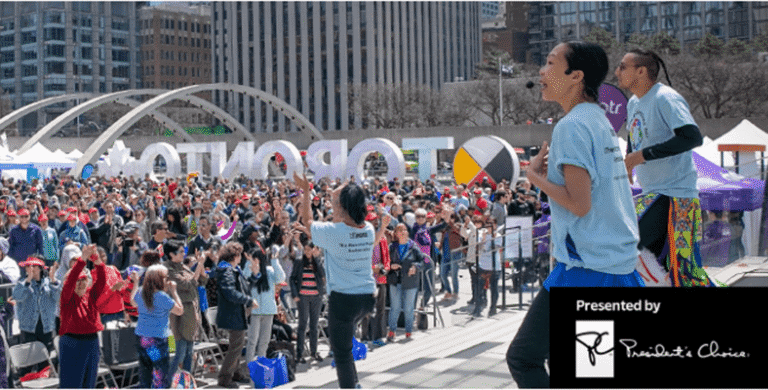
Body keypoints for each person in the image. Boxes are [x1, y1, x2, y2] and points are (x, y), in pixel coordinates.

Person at [506, 42, 643, 388]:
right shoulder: (599, 120)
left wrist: (534, 177)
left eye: (551, 63)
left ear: (575, 76)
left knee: (524, 356)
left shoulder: (570, 126)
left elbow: (579, 204)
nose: (541, 70)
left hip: (588, 269)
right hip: (614, 263)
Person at [618, 48, 713, 287]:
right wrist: (630, 158)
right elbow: (634, 135)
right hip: (652, 193)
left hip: (675, 195)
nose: (617, 71)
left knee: (683, 272)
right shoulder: (633, 103)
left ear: (641, 71)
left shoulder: (665, 97)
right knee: (669, 269)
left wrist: (642, 155)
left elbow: (692, 137)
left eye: (622, 66)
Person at [294, 172, 386, 389]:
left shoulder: (333, 232)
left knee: (342, 354)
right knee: (347, 346)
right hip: (366, 297)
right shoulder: (369, 229)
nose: (332, 205)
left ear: (343, 207)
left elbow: (307, 221)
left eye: (335, 203)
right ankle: (355, 385)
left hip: (343, 300)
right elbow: (340, 219)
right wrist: (342, 191)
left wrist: (307, 191)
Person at [58, 244, 111, 389]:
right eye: (77, 280)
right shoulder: (67, 298)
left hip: (92, 342)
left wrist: (97, 261)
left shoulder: (91, 295)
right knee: (72, 385)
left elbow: (101, 281)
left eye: (83, 280)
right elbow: (70, 281)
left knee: (89, 384)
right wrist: (82, 259)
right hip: (72, 343)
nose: (80, 283)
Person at [129, 264, 184, 389]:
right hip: (157, 340)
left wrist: (136, 283)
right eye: (166, 277)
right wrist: (174, 293)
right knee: (160, 373)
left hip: (142, 338)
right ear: (159, 279)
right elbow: (180, 311)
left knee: (145, 373)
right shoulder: (162, 297)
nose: (167, 279)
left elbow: (132, 301)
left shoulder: (141, 291)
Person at [214, 241, 258, 388]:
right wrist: (248, 300)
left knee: (238, 346)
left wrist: (254, 276)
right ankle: (225, 378)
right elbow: (230, 292)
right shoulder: (226, 271)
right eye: (239, 255)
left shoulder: (234, 269)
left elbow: (244, 287)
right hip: (232, 313)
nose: (241, 258)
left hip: (237, 312)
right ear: (235, 256)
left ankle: (236, 373)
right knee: (235, 347)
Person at [163, 240, 207, 376]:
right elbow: (189, 284)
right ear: (171, 254)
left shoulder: (183, 266)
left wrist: (202, 265)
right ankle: (168, 382)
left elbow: (202, 281)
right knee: (179, 353)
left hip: (191, 315)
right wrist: (199, 265)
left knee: (189, 352)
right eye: (181, 252)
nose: (184, 254)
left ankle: (186, 381)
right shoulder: (168, 270)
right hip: (178, 316)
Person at [12, 257, 61, 369]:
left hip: (46, 327)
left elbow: (58, 297)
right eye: (28, 266)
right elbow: (17, 296)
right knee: (27, 362)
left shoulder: (50, 283)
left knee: (45, 361)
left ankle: (44, 381)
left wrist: (53, 279)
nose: (30, 269)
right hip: (29, 328)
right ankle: (26, 380)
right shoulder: (21, 283)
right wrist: (28, 280)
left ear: (40, 268)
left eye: (33, 266)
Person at [243, 242, 286, 364]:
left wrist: (275, 261)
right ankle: (250, 366)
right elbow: (244, 278)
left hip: (268, 311)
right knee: (252, 340)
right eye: (252, 258)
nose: (254, 261)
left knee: (264, 340)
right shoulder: (249, 271)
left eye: (255, 258)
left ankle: (261, 363)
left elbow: (281, 278)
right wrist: (248, 263)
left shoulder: (269, 271)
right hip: (254, 311)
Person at [386, 223, 427, 342]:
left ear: (408, 232)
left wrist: (415, 267)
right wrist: (390, 266)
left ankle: (408, 332)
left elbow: (422, 261)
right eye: (400, 230)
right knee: (395, 308)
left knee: (409, 308)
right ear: (396, 234)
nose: (403, 232)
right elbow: (386, 262)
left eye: (404, 230)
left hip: (410, 282)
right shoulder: (392, 247)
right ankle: (392, 332)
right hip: (395, 281)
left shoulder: (413, 247)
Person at [289, 241, 325, 363]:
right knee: (302, 325)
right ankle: (299, 354)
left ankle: (314, 352)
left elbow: (322, 275)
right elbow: (292, 278)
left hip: (316, 296)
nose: (307, 252)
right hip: (303, 296)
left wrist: (316, 259)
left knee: (314, 325)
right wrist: (295, 294)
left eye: (309, 250)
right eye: (305, 250)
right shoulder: (299, 261)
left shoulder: (318, 260)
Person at [359, 212, 391, 347]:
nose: (375, 223)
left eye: (376, 221)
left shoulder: (382, 239)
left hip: (380, 279)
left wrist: (385, 270)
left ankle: (378, 336)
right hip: (367, 280)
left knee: (380, 309)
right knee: (366, 310)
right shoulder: (361, 239)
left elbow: (387, 258)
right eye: (371, 221)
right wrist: (373, 268)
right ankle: (365, 337)